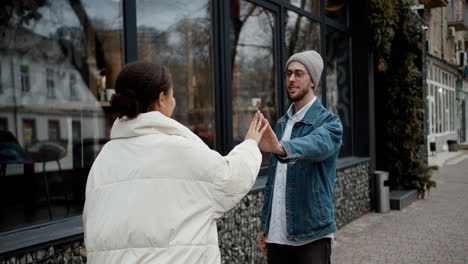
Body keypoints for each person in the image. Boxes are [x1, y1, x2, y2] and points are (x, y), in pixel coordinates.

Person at [83, 61, 267, 263]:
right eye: (172, 95)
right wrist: (250, 144)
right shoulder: (181, 150)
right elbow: (230, 179)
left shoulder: (104, 158)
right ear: (161, 99)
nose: (175, 102)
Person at [256, 50, 343, 264]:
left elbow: (316, 144)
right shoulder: (282, 124)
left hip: (311, 235)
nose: (291, 79)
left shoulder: (330, 123)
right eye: (288, 74)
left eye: (298, 73)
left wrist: (281, 147)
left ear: (312, 80)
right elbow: (273, 183)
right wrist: (265, 226)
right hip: (277, 236)